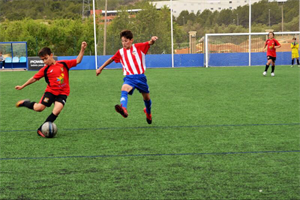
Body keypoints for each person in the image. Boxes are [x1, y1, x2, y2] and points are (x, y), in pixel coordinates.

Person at [15, 41, 87, 137]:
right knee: (39, 108)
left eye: (46, 58)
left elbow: (77, 60)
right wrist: (22, 86)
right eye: (42, 60)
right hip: (51, 92)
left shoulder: (63, 64)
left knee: (57, 111)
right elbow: (34, 78)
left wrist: (82, 49)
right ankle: (25, 103)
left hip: (63, 93)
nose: (44, 61)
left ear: (51, 55)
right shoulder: (45, 70)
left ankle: (41, 129)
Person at [96, 30, 158, 124]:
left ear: (131, 40)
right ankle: (124, 109)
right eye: (122, 41)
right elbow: (111, 59)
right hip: (129, 78)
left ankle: (148, 112)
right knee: (124, 89)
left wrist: (152, 39)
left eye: (126, 41)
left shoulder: (138, 47)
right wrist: (100, 68)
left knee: (147, 99)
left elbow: (150, 43)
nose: (124, 43)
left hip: (141, 77)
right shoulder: (120, 52)